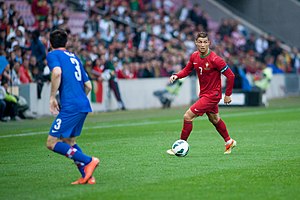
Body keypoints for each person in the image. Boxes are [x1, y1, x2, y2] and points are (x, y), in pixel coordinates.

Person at [166, 32, 237, 155]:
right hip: (204, 94)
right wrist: (176, 75)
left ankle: (180, 145)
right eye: (200, 42)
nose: (202, 45)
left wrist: (228, 94)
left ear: (209, 43)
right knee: (214, 119)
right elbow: (187, 70)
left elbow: (230, 75)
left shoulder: (215, 59)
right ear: (196, 43)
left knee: (187, 116)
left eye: (205, 42)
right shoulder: (194, 56)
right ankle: (229, 141)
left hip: (212, 95)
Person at [46, 29, 99, 185]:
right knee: (69, 141)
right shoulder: (74, 57)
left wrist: (52, 97)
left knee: (51, 143)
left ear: (50, 43)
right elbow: (88, 86)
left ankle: (89, 160)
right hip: (83, 104)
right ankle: (87, 175)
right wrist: (79, 98)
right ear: (66, 43)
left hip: (71, 106)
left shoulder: (53, 55)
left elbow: (56, 73)